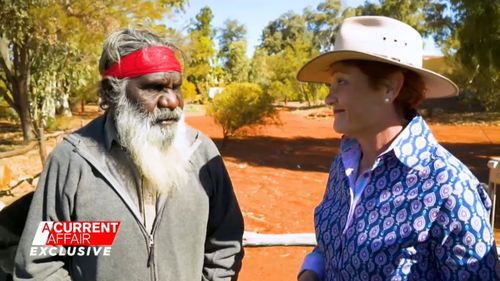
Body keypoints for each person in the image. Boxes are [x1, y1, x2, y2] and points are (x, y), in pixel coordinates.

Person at [14, 28, 244, 281]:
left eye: (175, 88)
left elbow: (224, 242)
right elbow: (42, 265)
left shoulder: (201, 153)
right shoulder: (74, 160)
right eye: (154, 88)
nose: (171, 101)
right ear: (111, 91)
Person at [296, 16, 500, 280]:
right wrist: (311, 271)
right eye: (331, 84)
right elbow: (332, 245)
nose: (328, 97)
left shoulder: (448, 185)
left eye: (342, 81)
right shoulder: (344, 165)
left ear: (390, 88)